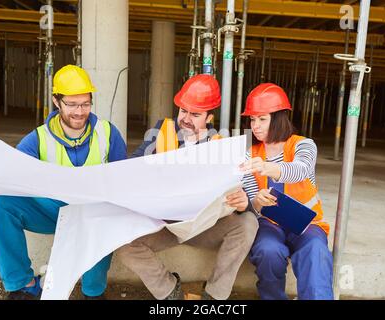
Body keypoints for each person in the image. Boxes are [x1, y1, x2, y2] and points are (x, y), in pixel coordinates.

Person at [0, 65, 127, 300]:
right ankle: (23, 284)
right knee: (0, 207)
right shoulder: (38, 138)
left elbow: (124, 178)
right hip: (53, 211)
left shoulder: (108, 133)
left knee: (109, 214)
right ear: (56, 101)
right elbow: (12, 174)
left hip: (92, 213)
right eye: (71, 104)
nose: (79, 112)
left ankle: (93, 291)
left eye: (85, 104)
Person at [117, 74, 259, 300]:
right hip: (166, 226)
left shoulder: (221, 146)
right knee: (124, 245)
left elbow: (243, 196)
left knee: (248, 223)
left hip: (204, 226)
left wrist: (243, 203)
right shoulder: (161, 131)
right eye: (183, 111)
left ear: (209, 117)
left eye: (195, 114)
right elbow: (133, 167)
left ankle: (214, 296)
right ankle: (169, 291)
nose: (186, 118)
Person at [239, 83, 333, 300]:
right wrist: (258, 201)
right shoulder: (249, 154)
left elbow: (300, 170)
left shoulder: (303, 145)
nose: (255, 126)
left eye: (262, 119)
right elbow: (252, 203)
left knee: (316, 251)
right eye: (252, 119)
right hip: (270, 223)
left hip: (307, 225)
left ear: (279, 118)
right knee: (268, 251)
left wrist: (268, 167)